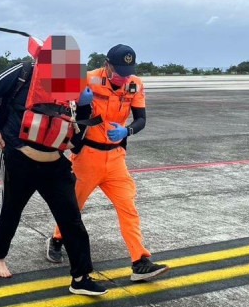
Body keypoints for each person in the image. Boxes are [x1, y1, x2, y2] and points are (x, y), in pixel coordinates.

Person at [0, 60, 107, 296]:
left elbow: (77, 136)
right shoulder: (24, 72)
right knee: (11, 210)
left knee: (71, 218)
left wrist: (86, 106)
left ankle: (80, 277)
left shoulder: (73, 82)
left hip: (54, 164)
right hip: (19, 159)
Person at [47, 44, 169, 282]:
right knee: (73, 206)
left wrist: (127, 131)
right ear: (107, 64)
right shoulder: (88, 79)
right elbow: (57, 97)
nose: (124, 77)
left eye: (128, 71)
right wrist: (81, 102)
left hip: (115, 158)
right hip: (88, 157)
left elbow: (141, 118)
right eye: (120, 71)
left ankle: (140, 261)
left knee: (128, 208)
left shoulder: (135, 84)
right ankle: (57, 238)